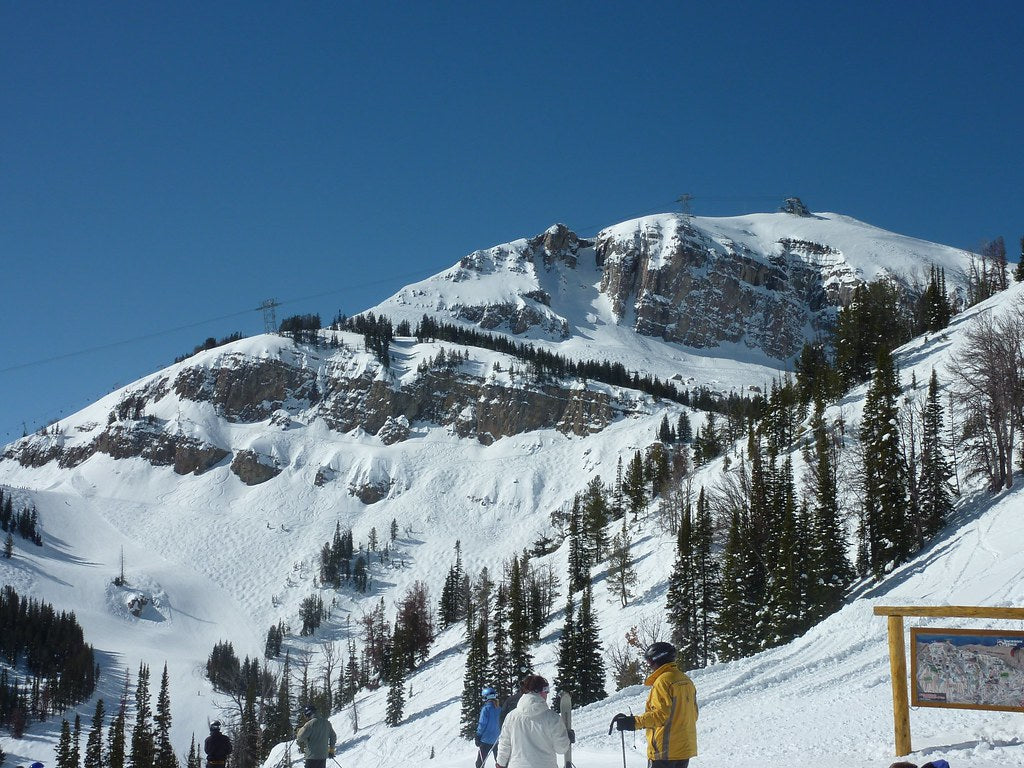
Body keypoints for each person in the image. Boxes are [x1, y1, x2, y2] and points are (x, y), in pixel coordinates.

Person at [611, 641, 698, 768]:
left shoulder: (663, 681)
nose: (649, 665)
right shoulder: (685, 680)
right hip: (684, 749)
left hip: (666, 751)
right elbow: (694, 714)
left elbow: (661, 715)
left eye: (650, 661)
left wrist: (633, 722)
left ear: (658, 659)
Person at [495, 674, 572, 768]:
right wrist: (567, 738)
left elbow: (504, 744)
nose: (547, 694)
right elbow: (561, 748)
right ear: (538, 691)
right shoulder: (552, 718)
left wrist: (500, 764)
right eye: (546, 690)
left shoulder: (511, 716)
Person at [295, 704, 337, 768]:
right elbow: (333, 736)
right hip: (323, 756)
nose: (306, 718)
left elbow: (300, 737)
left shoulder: (309, 724)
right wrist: (331, 750)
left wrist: (299, 730)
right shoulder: (326, 723)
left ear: (308, 714)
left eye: (305, 715)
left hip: (312, 756)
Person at [475, 686, 501, 768]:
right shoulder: (499, 708)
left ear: (486, 697)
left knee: (480, 763)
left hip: (485, 740)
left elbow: (482, 724)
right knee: (500, 762)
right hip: (496, 740)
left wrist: (478, 735)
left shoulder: (486, 709)